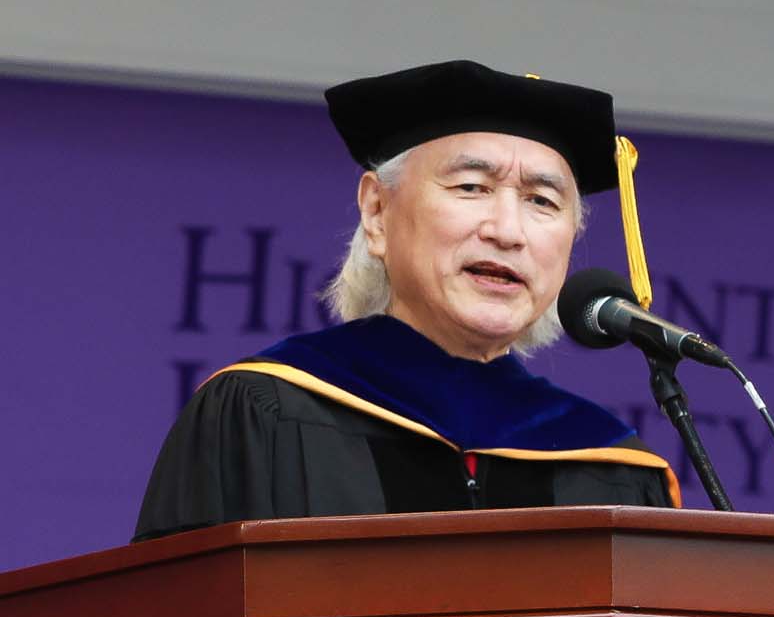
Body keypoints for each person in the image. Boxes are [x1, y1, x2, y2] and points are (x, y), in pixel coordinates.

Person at [134, 60, 678, 542]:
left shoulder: (614, 467)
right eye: (471, 187)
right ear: (376, 212)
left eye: (541, 200)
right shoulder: (262, 411)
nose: (509, 231)